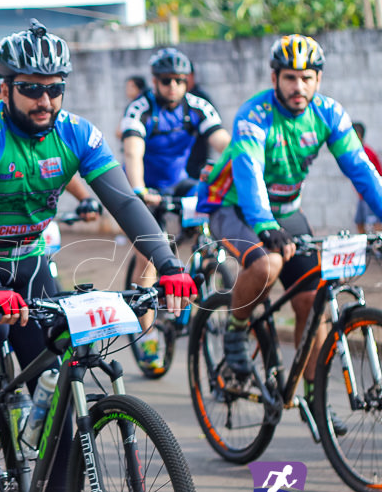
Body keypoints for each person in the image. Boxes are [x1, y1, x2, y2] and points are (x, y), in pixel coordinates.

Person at [0, 21, 195, 482]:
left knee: (63, 357)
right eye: (30, 89)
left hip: (28, 253)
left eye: (54, 89)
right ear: (5, 89)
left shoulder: (78, 133)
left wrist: (168, 264)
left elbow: (123, 201)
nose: (44, 101)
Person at [197, 34, 382, 432]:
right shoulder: (255, 114)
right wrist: (264, 225)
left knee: (312, 305)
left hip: (287, 211)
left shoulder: (329, 114)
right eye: (290, 78)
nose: (298, 87)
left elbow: (361, 170)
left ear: (318, 79)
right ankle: (236, 329)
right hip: (232, 204)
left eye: (307, 78)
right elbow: (248, 172)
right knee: (266, 265)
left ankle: (314, 400)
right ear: (275, 78)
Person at [120, 47, 229, 372]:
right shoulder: (140, 108)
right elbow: (133, 152)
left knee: (205, 224)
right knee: (151, 254)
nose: (173, 87)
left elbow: (221, 139)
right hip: (147, 186)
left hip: (181, 181)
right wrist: (139, 188)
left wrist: (234, 162)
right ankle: (148, 336)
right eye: (166, 81)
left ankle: (199, 268)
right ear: (155, 81)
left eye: (179, 81)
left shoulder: (197, 107)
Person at [352, 122, 382, 233]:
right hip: (362, 196)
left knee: (375, 223)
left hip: (370, 194)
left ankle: (376, 246)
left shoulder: (367, 153)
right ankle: (365, 245)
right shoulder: (353, 153)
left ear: (359, 135)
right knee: (359, 222)